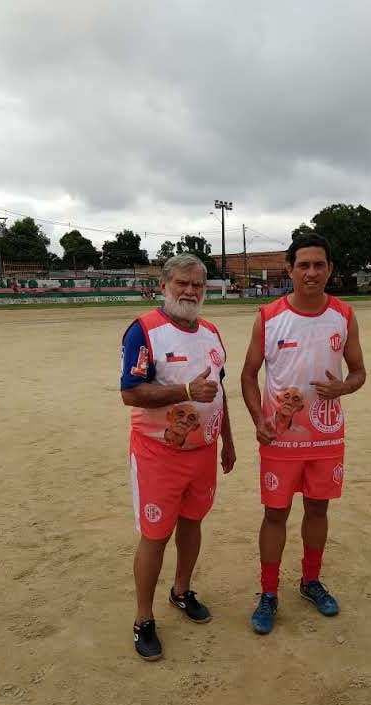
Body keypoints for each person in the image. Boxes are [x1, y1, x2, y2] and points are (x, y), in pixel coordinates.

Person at [241, 233, 366, 635]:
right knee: (274, 515)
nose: (312, 272)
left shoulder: (344, 315)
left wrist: (343, 387)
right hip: (281, 438)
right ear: (290, 270)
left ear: (329, 269)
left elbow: (359, 372)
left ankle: (310, 581)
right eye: (304, 265)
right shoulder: (269, 315)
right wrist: (260, 418)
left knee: (318, 511)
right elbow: (248, 375)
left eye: (319, 265)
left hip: (327, 437)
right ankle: (268, 593)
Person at [120, 253, 236, 660]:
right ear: (164, 286)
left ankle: (182, 591)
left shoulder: (212, 333)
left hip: (203, 452)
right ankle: (143, 619)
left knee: (192, 523)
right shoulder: (144, 331)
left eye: (197, 285)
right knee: (155, 536)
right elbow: (130, 393)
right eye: (182, 284)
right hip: (158, 454)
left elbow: (220, 392)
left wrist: (228, 440)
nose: (190, 291)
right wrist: (186, 392)